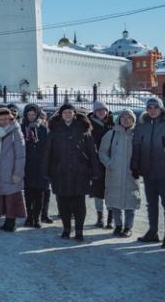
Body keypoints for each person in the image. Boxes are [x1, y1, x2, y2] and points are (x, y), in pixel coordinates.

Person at [131, 97, 165, 248]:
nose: (152, 110)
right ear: (147, 110)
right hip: (148, 173)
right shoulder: (142, 126)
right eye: (150, 107)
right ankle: (153, 231)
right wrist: (135, 166)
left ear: (161, 109)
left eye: (156, 107)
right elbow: (136, 147)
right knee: (151, 204)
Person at [43, 104, 100, 242]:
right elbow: (47, 153)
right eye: (65, 112)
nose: (67, 114)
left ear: (74, 114)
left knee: (79, 203)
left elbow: (92, 152)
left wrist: (95, 171)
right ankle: (66, 229)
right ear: (60, 115)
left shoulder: (83, 130)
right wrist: (46, 171)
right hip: (60, 172)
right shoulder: (54, 131)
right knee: (63, 204)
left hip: (80, 173)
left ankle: (79, 231)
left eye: (70, 112)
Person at [98, 109, 140, 237]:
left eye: (129, 118)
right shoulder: (111, 134)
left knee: (130, 201)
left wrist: (139, 166)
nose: (126, 120)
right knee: (115, 200)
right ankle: (118, 225)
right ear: (119, 119)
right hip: (114, 173)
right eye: (123, 117)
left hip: (131, 174)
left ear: (133, 120)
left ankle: (128, 227)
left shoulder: (137, 134)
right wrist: (109, 163)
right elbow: (102, 152)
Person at [0, 107, 26, 232]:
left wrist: (18, 172)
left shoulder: (15, 131)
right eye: (0, 119)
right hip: (0, 169)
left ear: (10, 118)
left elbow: (21, 154)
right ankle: (7, 221)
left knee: (12, 197)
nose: (4, 121)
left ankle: (11, 223)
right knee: (4, 196)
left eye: (6, 119)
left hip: (11, 170)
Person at [21, 104, 49, 228]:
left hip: (40, 165)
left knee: (39, 193)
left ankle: (37, 217)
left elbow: (48, 147)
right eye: (29, 115)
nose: (31, 117)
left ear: (37, 115)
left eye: (33, 115)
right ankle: (29, 216)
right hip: (27, 164)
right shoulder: (22, 128)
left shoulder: (43, 129)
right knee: (28, 192)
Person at [88, 101, 115, 229]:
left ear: (107, 111)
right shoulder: (89, 124)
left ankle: (111, 218)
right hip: (95, 161)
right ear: (94, 112)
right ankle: (100, 217)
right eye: (98, 110)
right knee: (98, 191)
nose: (100, 112)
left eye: (103, 110)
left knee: (110, 190)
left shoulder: (113, 124)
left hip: (111, 161)